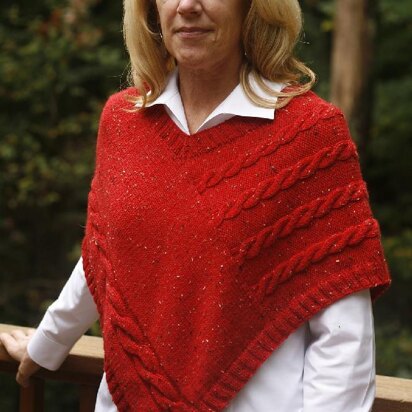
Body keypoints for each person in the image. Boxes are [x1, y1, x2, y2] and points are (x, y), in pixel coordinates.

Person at [0, 0, 391, 411]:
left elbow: (343, 334)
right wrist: (47, 343)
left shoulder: (310, 134)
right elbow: (105, 254)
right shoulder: (123, 119)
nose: (187, 6)